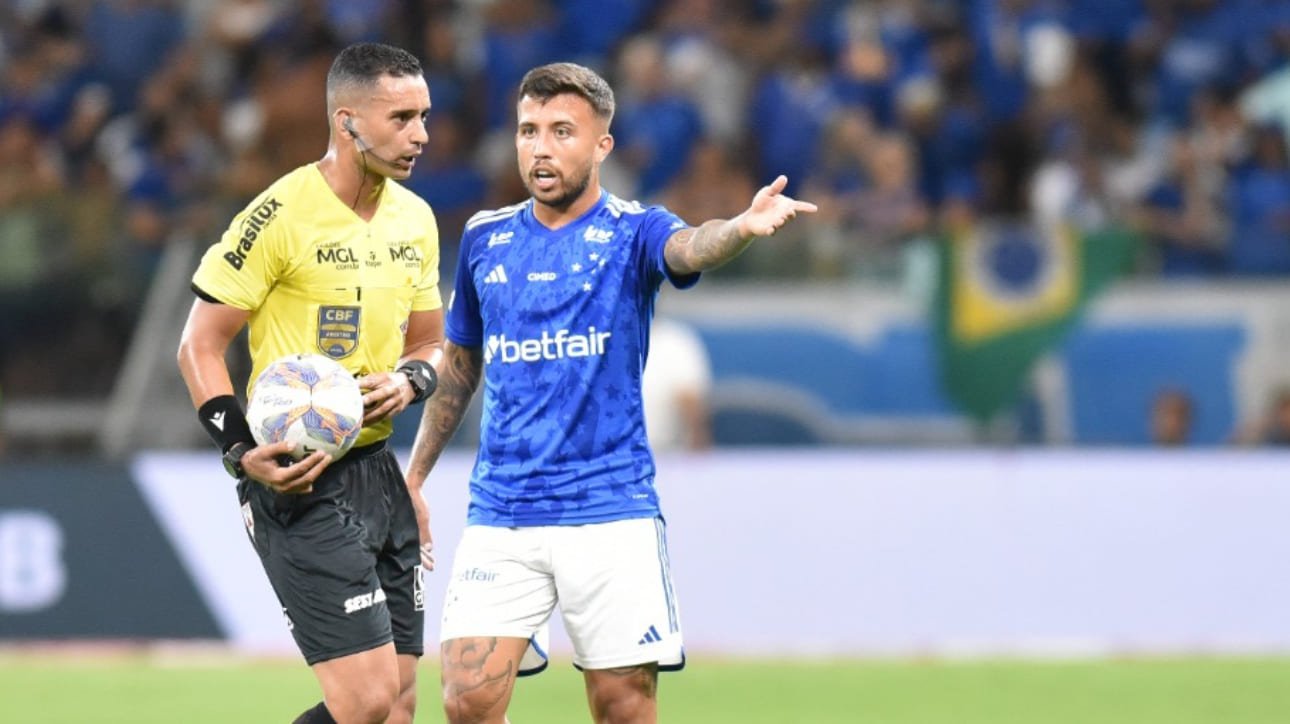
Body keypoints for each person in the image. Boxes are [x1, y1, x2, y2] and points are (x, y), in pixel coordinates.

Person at [404, 62, 816, 724]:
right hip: (503, 511)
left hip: (609, 509)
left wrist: (738, 227)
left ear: (603, 145)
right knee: (467, 700)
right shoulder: (485, 238)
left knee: (623, 707)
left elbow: (689, 248)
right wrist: (417, 474)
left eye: (562, 130)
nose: (540, 147)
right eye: (527, 130)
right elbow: (459, 365)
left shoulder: (633, 231)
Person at [176, 43, 444, 724]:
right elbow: (198, 346)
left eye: (425, 117)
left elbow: (432, 343)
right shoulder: (280, 213)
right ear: (348, 122)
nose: (421, 135)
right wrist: (241, 453)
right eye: (402, 118)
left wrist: (414, 380)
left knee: (401, 707)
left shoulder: (416, 219)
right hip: (298, 477)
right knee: (367, 703)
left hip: (378, 469)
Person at [642, 316, 713, 452]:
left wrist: (697, 439)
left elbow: (691, 400)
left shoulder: (675, 341)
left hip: (667, 454)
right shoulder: (599, 340)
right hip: (610, 455)